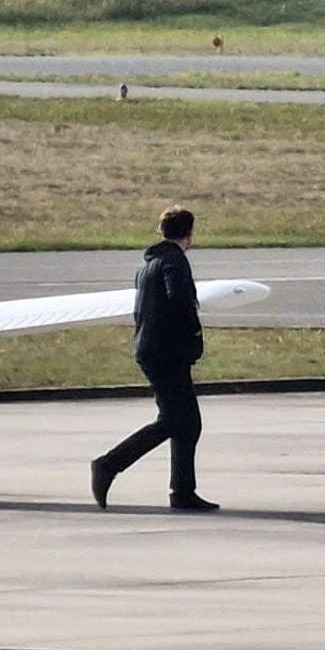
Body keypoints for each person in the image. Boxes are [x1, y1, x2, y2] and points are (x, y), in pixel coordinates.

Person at [90, 206, 218, 512]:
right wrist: (194, 336)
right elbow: (180, 302)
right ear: (189, 234)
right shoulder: (175, 261)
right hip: (167, 352)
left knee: (188, 423)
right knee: (175, 420)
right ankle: (108, 464)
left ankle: (182, 490)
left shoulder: (149, 263)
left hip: (151, 349)